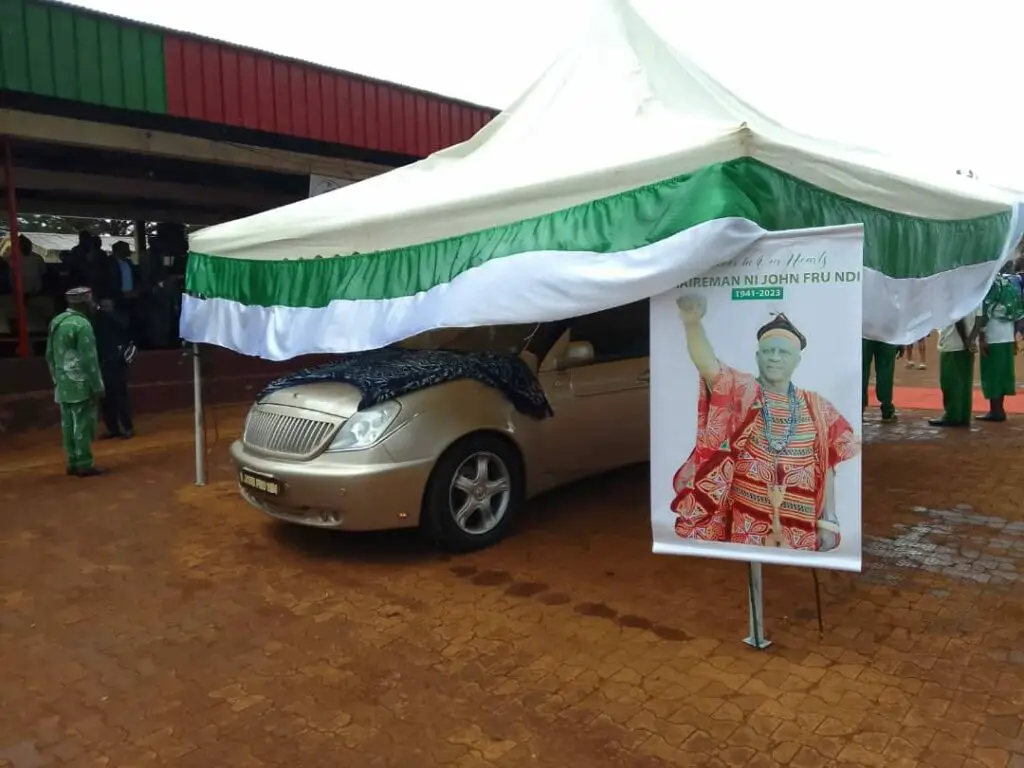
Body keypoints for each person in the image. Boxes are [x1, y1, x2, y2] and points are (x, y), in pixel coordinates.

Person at [670, 295, 860, 552]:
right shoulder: (743, 390)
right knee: (750, 566)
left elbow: (827, 466)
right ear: (758, 357)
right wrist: (692, 323)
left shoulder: (818, 406)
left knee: (791, 583)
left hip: (800, 520)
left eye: (783, 352)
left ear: (797, 360)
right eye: (768, 351)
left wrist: (829, 520)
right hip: (747, 515)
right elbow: (708, 366)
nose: (774, 358)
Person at [45, 287, 107, 477]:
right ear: (84, 303)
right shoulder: (82, 325)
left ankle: (72, 461)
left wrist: (56, 378)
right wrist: (97, 385)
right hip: (81, 382)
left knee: (67, 423)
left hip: (63, 381)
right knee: (83, 423)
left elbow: (49, 354)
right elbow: (89, 359)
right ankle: (85, 463)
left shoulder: (57, 321)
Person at [976, 263, 1024, 422]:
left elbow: (984, 313)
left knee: (992, 373)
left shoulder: (990, 286)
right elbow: (1018, 311)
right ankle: (999, 409)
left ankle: (995, 411)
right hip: (1007, 335)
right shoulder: (1008, 284)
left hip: (993, 335)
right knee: (1003, 373)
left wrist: (981, 337)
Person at [929, 307, 980, 428]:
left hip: (953, 342)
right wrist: (972, 338)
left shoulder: (954, 293)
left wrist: (966, 340)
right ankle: (963, 415)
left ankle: (952, 415)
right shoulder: (976, 293)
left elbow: (957, 318)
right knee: (965, 382)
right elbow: (980, 318)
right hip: (969, 345)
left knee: (950, 382)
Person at [93, 298, 135, 439]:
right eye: (102, 306)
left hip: (116, 364)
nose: (104, 308)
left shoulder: (118, 319)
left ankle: (128, 427)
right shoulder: (98, 323)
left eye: (107, 306)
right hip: (102, 364)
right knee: (106, 399)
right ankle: (113, 429)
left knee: (120, 397)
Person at [862, 338, 899, 423]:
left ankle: (859, 408)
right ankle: (887, 409)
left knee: (862, 371)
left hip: (864, 334)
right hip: (887, 335)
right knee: (886, 372)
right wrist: (899, 342)